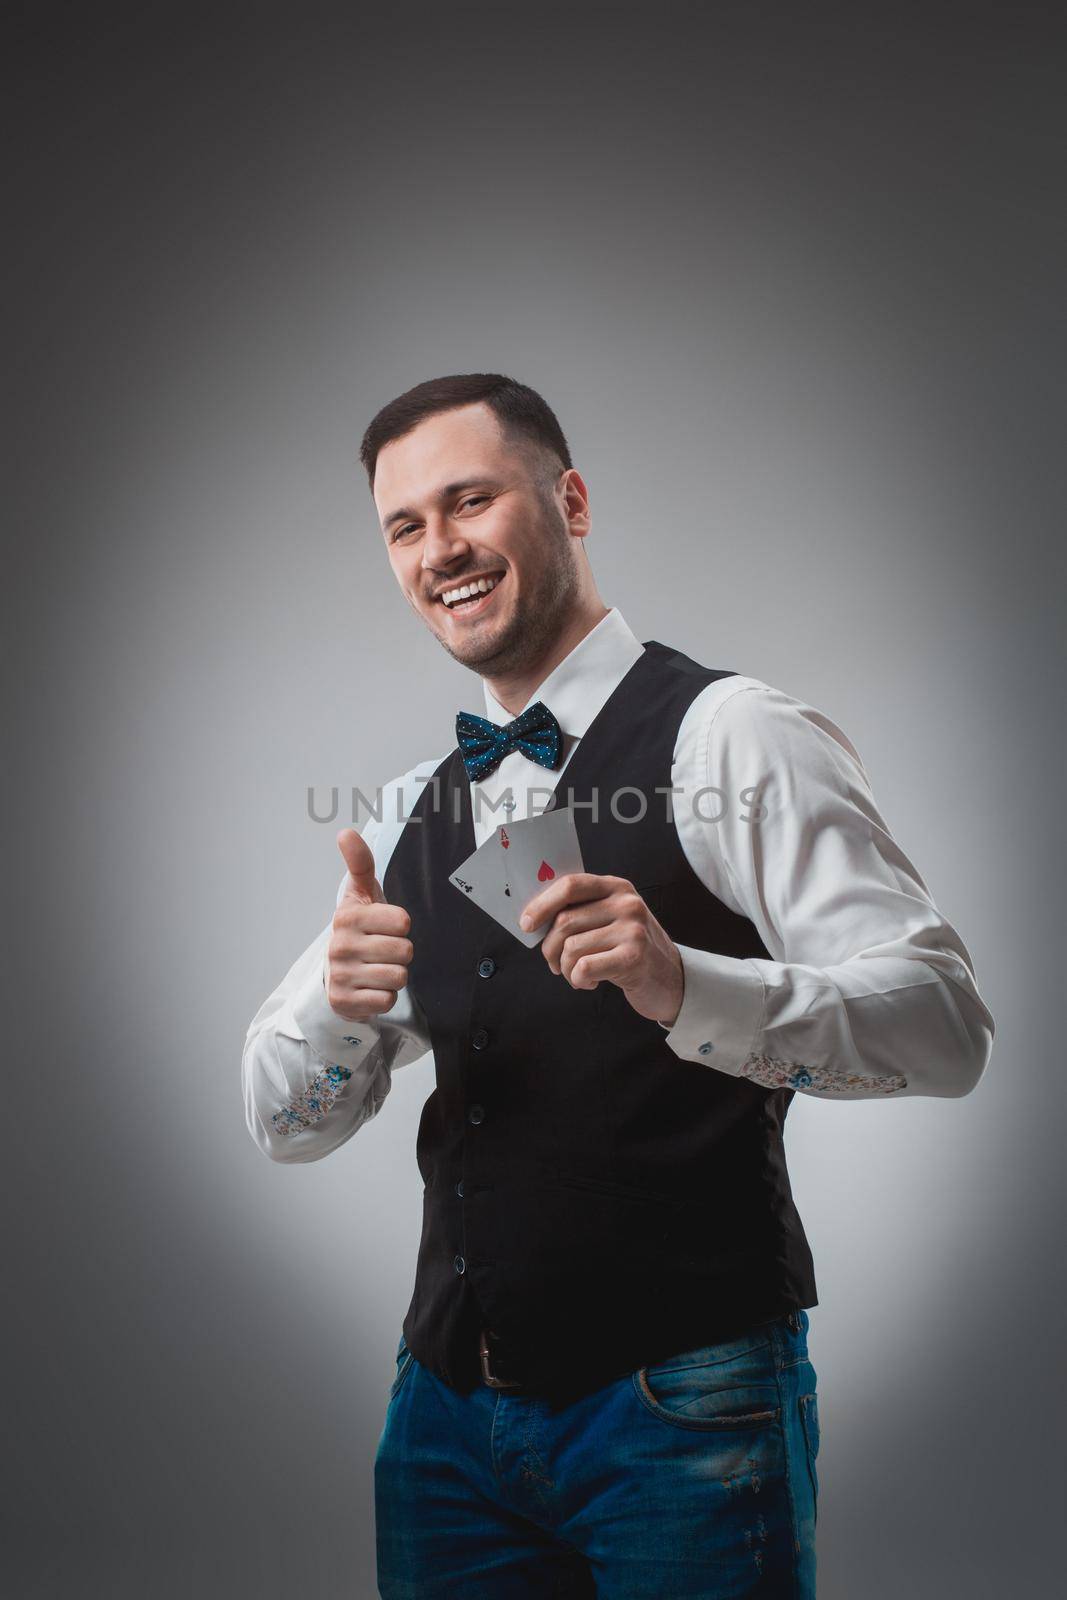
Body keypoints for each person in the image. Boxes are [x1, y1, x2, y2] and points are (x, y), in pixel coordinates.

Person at [242, 372, 994, 1598]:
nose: (441, 550)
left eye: (469, 500)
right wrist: (337, 998)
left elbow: (946, 1028)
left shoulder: (730, 736)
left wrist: (682, 983)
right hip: (441, 1428)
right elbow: (281, 1125)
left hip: (682, 1406)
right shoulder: (406, 811)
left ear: (569, 500)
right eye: (404, 525)